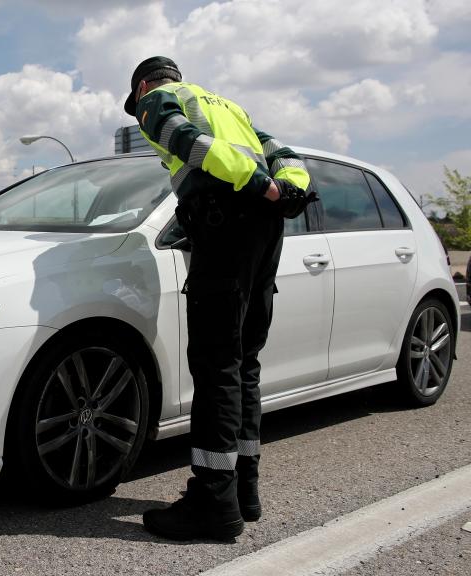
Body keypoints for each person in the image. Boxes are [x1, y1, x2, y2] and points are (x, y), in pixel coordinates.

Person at [124, 56, 315, 541]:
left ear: (145, 84)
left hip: (225, 221)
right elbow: (285, 153)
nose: (140, 108)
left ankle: (212, 502)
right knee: (243, 362)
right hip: (264, 231)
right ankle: (243, 493)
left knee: (216, 365)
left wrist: (253, 183)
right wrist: (286, 190)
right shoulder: (228, 105)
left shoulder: (158, 98)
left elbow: (187, 142)